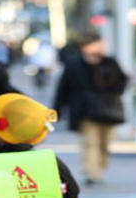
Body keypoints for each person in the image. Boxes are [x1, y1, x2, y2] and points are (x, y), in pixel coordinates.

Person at [54, 32, 129, 186]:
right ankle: (92, 172)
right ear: (85, 47)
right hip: (85, 112)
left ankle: (99, 167)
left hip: (108, 111)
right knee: (90, 142)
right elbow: (63, 88)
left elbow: (121, 82)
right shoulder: (74, 64)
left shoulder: (109, 62)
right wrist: (57, 109)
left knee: (104, 144)